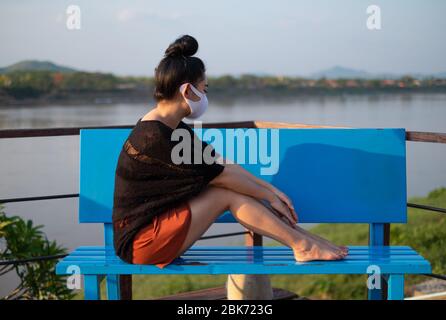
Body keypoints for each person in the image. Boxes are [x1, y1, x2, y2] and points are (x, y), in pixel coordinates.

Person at [112, 35, 348, 269]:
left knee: (229, 189)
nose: (205, 97)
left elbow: (220, 163)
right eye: (204, 89)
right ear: (187, 92)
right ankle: (303, 245)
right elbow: (223, 176)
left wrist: (269, 189)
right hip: (140, 243)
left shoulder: (167, 126)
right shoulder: (157, 137)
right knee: (226, 194)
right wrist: (270, 196)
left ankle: (306, 241)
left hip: (154, 230)